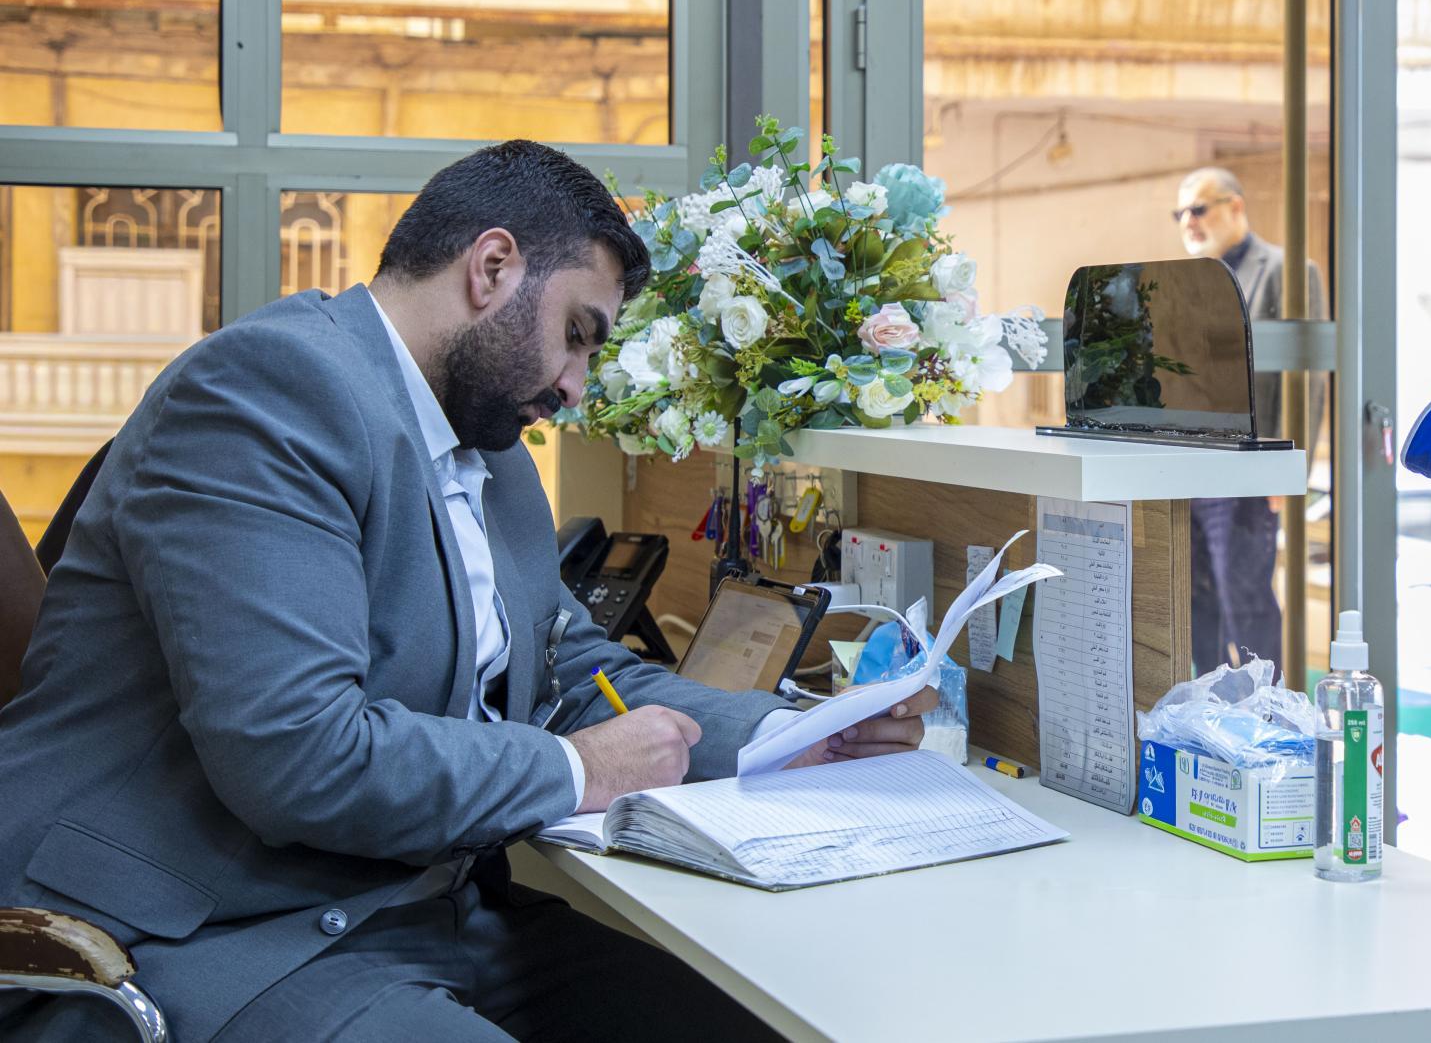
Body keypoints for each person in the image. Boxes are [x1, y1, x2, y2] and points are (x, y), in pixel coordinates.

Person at [0, 142, 934, 1042]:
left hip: (416, 910)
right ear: (492, 267)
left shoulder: (490, 453)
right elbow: (298, 755)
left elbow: (573, 673)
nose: (576, 386)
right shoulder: (269, 391)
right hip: (208, 932)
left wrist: (794, 735)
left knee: (762, 1024)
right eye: (576, 334)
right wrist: (581, 770)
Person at [1174, 166, 1324, 678]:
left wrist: (1286, 468)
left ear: (1235, 206)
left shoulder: (1285, 270)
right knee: (1195, 602)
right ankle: (1209, 704)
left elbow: (1306, 375)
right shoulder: (1191, 283)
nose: (1188, 222)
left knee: (1246, 601)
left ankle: (1270, 707)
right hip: (1191, 468)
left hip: (1248, 471)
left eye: (1198, 209)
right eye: (1180, 213)